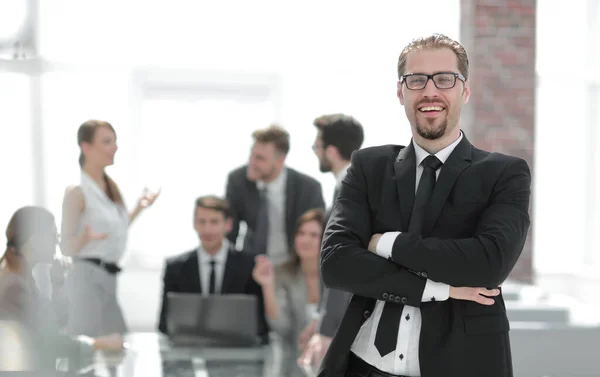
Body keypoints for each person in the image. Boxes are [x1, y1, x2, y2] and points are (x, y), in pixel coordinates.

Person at [318, 34, 531, 377]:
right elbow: (336, 264)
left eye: (445, 79)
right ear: (401, 92)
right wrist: (440, 288)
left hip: (459, 365)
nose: (430, 91)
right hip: (361, 366)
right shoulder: (368, 167)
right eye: (416, 80)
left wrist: (384, 243)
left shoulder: (504, 173)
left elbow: (488, 264)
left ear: (465, 91)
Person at [61, 120, 160, 337]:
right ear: (85, 147)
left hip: (108, 277)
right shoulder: (77, 192)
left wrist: (139, 208)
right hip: (86, 277)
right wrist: (84, 238)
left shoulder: (109, 187)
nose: (114, 148)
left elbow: (118, 229)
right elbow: (66, 247)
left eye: (115, 142)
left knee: (117, 343)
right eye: (107, 142)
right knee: (89, 344)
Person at [0, 206, 124, 371]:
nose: (57, 242)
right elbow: (51, 342)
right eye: (53, 235)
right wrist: (100, 344)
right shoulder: (15, 286)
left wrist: (57, 283)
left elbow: (55, 322)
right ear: (36, 240)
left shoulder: (22, 277)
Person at [299, 113, 364, 368]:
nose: (315, 152)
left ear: (332, 150)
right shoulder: (357, 185)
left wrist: (326, 330)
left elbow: (341, 265)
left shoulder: (348, 190)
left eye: (317, 146)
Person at [158, 195, 268, 340]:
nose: (207, 230)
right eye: (201, 222)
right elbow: (164, 324)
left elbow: (260, 324)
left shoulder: (249, 265)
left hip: (237, 350)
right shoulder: (175, 267)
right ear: (194, 224)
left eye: (214, 222)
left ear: (228, 225)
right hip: (189, 351)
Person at [225, 125, 325, 265]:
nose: (252, 163)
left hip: (295, 265)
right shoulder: (238, 180)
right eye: (251, 155)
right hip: (254, 262)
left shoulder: (308, 188)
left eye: (260, 158)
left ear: (280, 160)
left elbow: (319, 236)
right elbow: (229, 230)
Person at [252, 208, 323, 347]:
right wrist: (267, 286)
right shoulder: (281, 273)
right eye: (301, 233)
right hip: (293, 355)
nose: (305, 240)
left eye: (314, 235)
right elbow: (281, 328)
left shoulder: (338, 277)